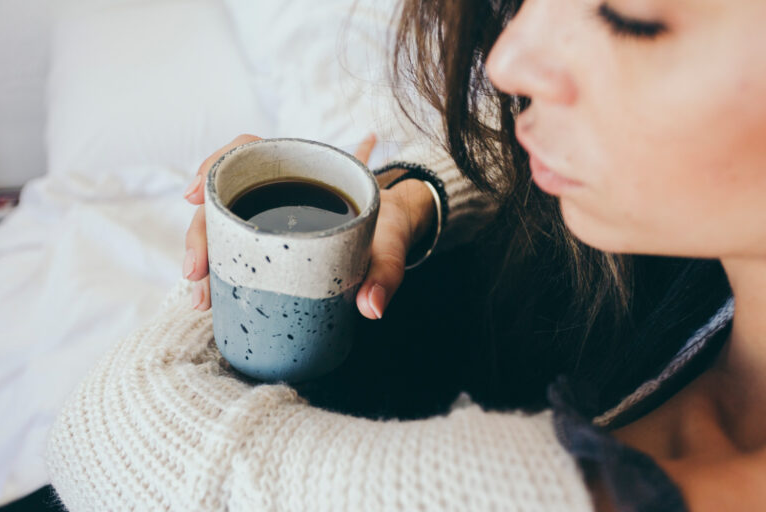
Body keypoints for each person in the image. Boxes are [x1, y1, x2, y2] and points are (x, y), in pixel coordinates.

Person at [45, 0, 766, 510]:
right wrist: (411, 199)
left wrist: (250, 262)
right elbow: (489, 139)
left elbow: (106, 433)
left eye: (629, 14)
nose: (507, 59)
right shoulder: (678, 278)